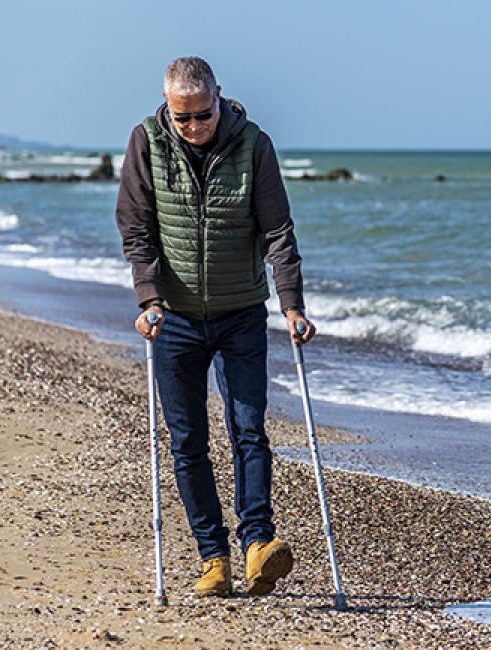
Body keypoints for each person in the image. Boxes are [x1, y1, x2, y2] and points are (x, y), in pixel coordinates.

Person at [115, 56, 316, 598]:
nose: (194, 128)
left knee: (249, 429)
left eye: (202, 115)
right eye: (182, 119)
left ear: (219, 99)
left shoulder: (254, 145)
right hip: (174, 319)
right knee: (187, 443)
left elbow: (278, 231)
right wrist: (148, 296)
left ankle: (258, 547)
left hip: (241, 314)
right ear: (168, 108)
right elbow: (136, 229)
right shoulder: (146, 143)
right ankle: (214, 558)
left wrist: (292, 305)